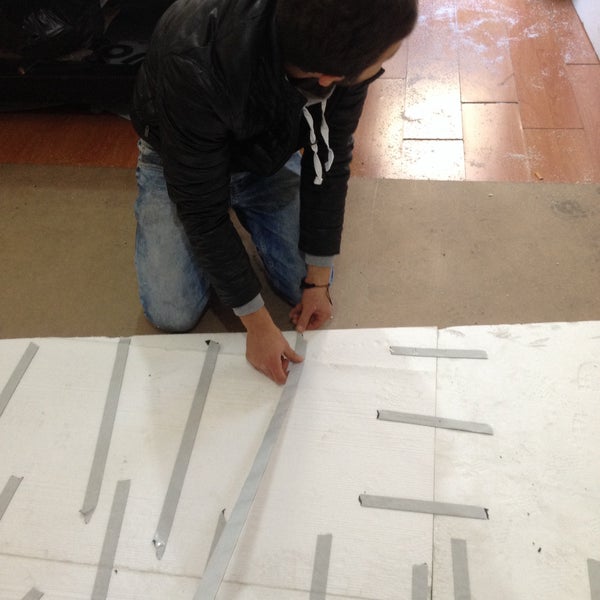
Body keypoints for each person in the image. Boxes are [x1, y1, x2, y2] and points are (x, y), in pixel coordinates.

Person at [130, 0, 418, 384]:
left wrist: (317, 280)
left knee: (303, 278)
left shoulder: (341, 59)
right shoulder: (192, 57)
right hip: (175, 154)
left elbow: (330, 157)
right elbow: (200, 208)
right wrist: (258, 325)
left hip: (264, 150)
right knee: (171, 312)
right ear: (328, 77)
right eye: (382, 61)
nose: (381, 68)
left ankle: (255, 202)